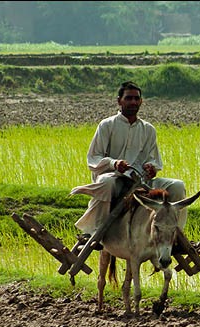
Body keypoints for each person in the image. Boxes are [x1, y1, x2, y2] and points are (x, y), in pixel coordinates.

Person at [71, 81, 187, 246]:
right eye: (128, 98)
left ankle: (175, 233)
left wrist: (151, 167)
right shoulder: (107, 125)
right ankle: (96, 231)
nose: (133, 102)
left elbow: (154, 159)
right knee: (105, 182)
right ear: (119, 101)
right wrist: (114, 163)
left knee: (177, 186)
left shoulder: (148, 129)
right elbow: (94, 157)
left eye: (136, 98)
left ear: (141, 101)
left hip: (141, 181)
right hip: (116, 180)